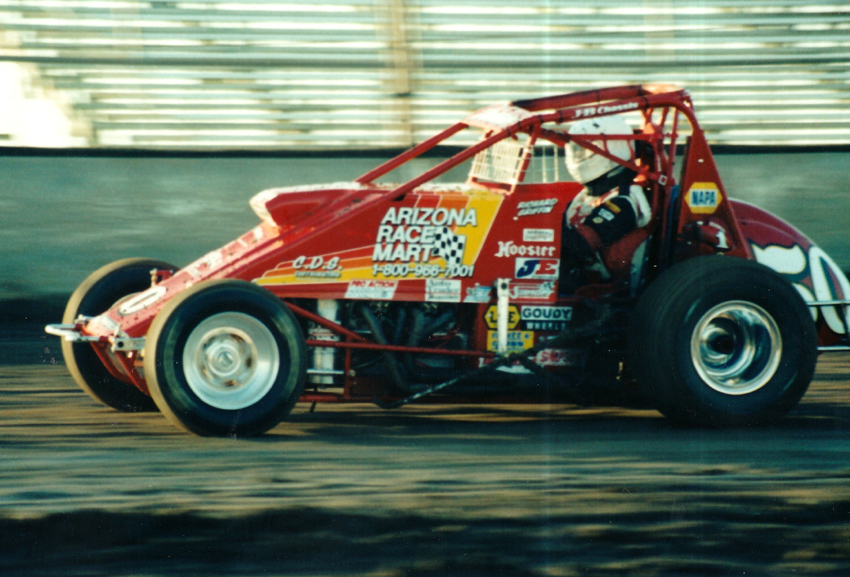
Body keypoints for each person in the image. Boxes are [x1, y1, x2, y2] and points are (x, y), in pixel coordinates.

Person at [560, 116, 651, 283]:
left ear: (613, 150)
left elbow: (582, 246)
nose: (577, 155)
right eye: (576, 150)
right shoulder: (587, 196)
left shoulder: (624, 202)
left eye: (583, 150)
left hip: (601, 287)